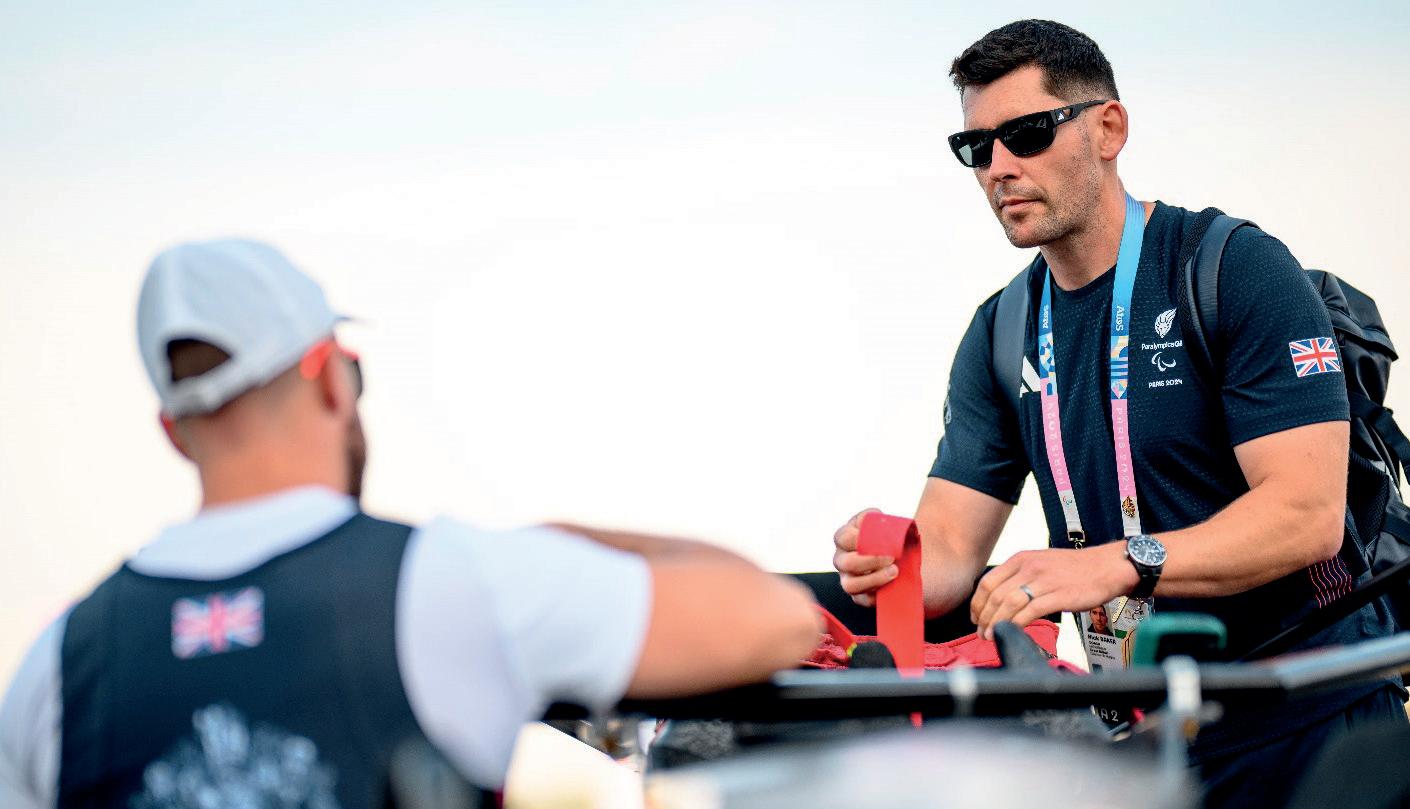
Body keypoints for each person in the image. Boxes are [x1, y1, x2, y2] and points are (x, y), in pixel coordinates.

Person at [0, 239, 822, 809]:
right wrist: (565, 540)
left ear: (174, 433)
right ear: (330, 378)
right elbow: (778, 619)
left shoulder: (56, 666)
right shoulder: (448, 581)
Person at [829, 19, 1403, 809]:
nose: (1000, 167)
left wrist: (1117, 560)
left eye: (1027, 134)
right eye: (976, 147)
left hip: (1312, 721)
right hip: (1148, 745)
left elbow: (1307, 516)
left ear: (1108, 129)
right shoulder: (1000, 330)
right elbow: (952, 550)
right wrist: (888, 560)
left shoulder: (1233, 268)